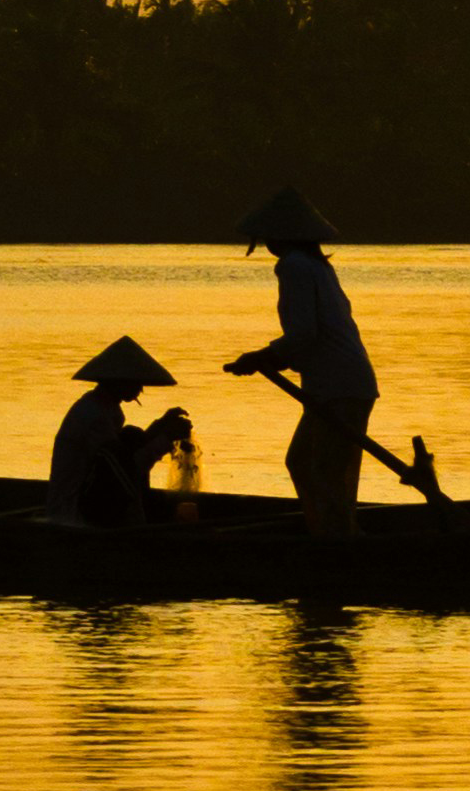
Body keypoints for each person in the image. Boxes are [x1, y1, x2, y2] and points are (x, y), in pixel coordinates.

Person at [226, 188, 378, 534]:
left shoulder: (294, 266)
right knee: (309, 464)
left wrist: (262, 357)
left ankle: (335, 539)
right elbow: (309, 336)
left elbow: (303, 334)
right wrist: (273, 358)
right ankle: (328, 531)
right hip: (340, 384)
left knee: (321, 470)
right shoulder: (316, 266)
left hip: (339, 386)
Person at [47, 336, 193, 527]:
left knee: (131, 435)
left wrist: (161, 426)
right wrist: (166, 438)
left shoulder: (103, 408)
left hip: (87, 501)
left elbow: (123, 454)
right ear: (117, 381)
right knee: (131, 437)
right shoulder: (94, 415)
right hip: (74, 513)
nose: (140, 388)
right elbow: (124, 468)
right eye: (134, 382)